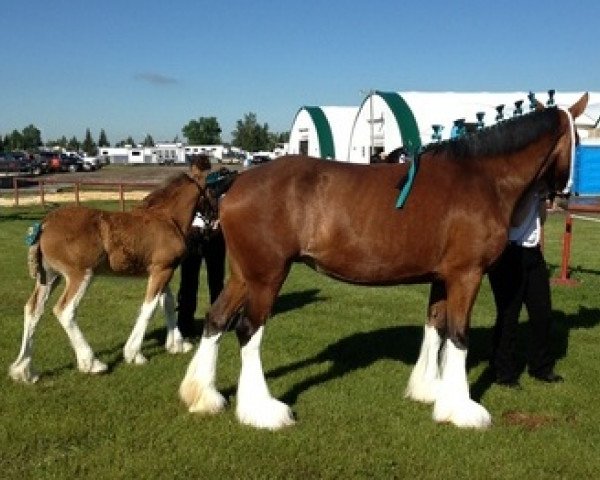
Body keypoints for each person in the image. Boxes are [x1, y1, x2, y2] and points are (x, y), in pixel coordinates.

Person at [488, 182, 563, 388]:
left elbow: (543, 221)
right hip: (509, 255)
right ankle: (504, 372)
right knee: (509, 315)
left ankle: (541, 367)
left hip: (533, 253)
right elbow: (515, 221)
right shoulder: (512, 189)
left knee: (543, 314)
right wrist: (531, 194)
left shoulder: (537, 193)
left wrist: (541, 200)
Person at [176, 154, 226, 338]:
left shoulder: (209, 186)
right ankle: (210, 320)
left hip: (203, 236)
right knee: (206, 281)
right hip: (205, 236)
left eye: (196, 170)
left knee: (197, 281)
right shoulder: (215, 185)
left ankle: (188, 323)